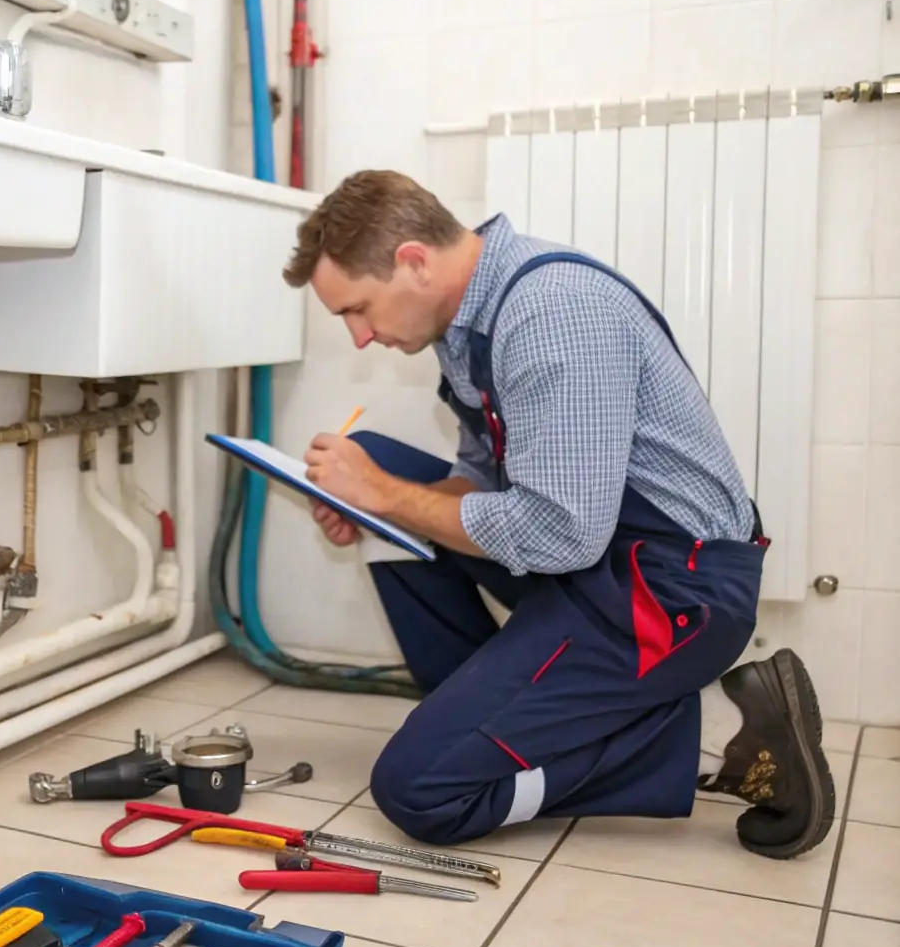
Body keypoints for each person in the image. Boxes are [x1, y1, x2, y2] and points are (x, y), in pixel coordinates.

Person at [282, 169, 833, 860]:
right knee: (369, 461)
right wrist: (372, 502)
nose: (358, 337)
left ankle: (689, 741)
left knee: (419, 791)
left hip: (666, 593)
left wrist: (386, 497)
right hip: (599, 565)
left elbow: (557, 534)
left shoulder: (551, 313)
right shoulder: (462, 331)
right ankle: (507, 709)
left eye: (354, 309)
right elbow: (478, 487)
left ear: (412, 262)